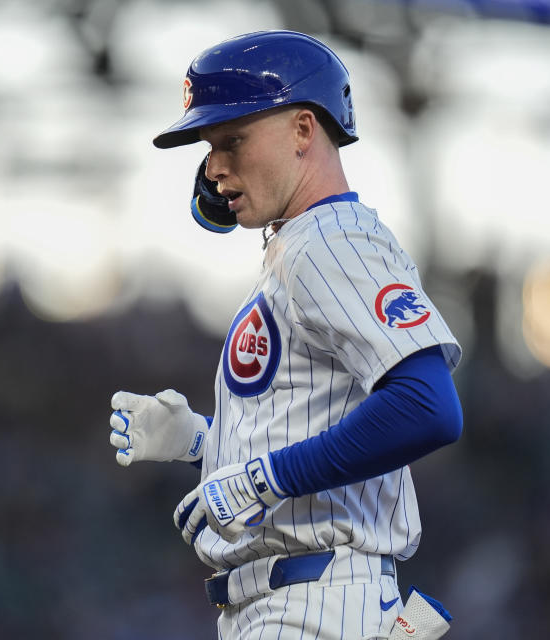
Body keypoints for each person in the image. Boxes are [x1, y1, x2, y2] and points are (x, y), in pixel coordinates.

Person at [108, 30, 463, 639]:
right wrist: (204, 442)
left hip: (314, 604)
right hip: (289, 604)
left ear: (304, 131)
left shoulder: (330, 241)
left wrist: (259, 479)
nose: (213, 167)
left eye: (233, 139)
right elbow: (308, 422)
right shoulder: (299, 248)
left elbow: (427, 407)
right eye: (209, 146)